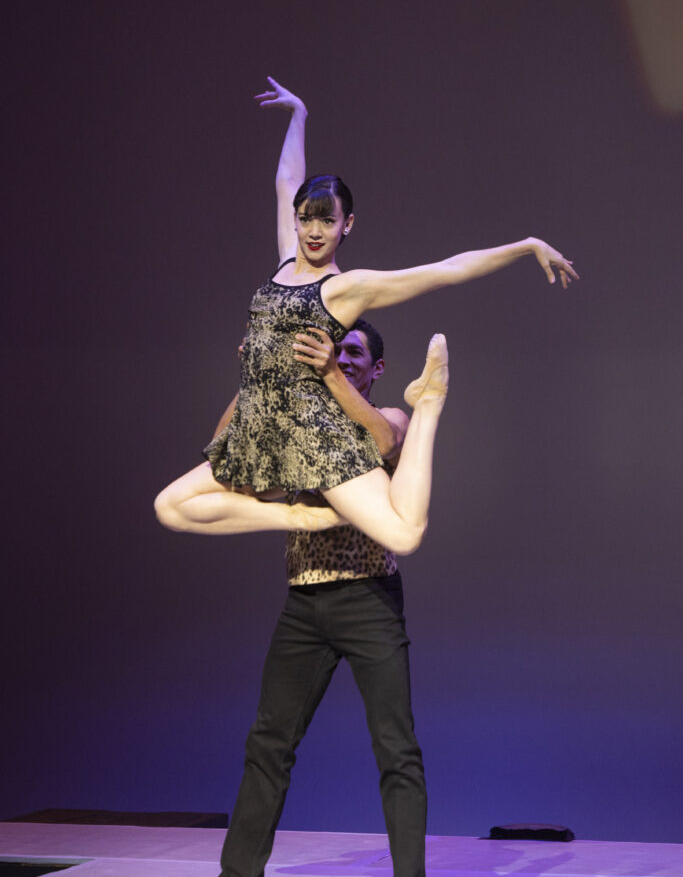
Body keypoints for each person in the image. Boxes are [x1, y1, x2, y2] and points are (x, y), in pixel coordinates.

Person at [154, 78, 578, 554]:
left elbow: (445, 270)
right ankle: (296, 516)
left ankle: (427, 405)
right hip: (261, 437)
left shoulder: (345, 289)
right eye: (306, 219)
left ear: (346, 225)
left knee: (404, 534)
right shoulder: (283, 261)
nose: (314, 232)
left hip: (315, 438)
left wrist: (525, 246)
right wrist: (299, 115)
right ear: (296, 219)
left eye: (327, 221)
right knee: (170, 507)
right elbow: (286, 182)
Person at [181, 317, 435, 877]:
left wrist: (325, 374)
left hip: (369, 599)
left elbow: (380, 444)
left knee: (396, 751)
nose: (341, 358)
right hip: (304, 603)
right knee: (267, 746)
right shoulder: (293, 430)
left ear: (375, 370)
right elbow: (225, 460)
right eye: (333, 349)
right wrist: (257, 376)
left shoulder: (390, 419)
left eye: (354, 353)